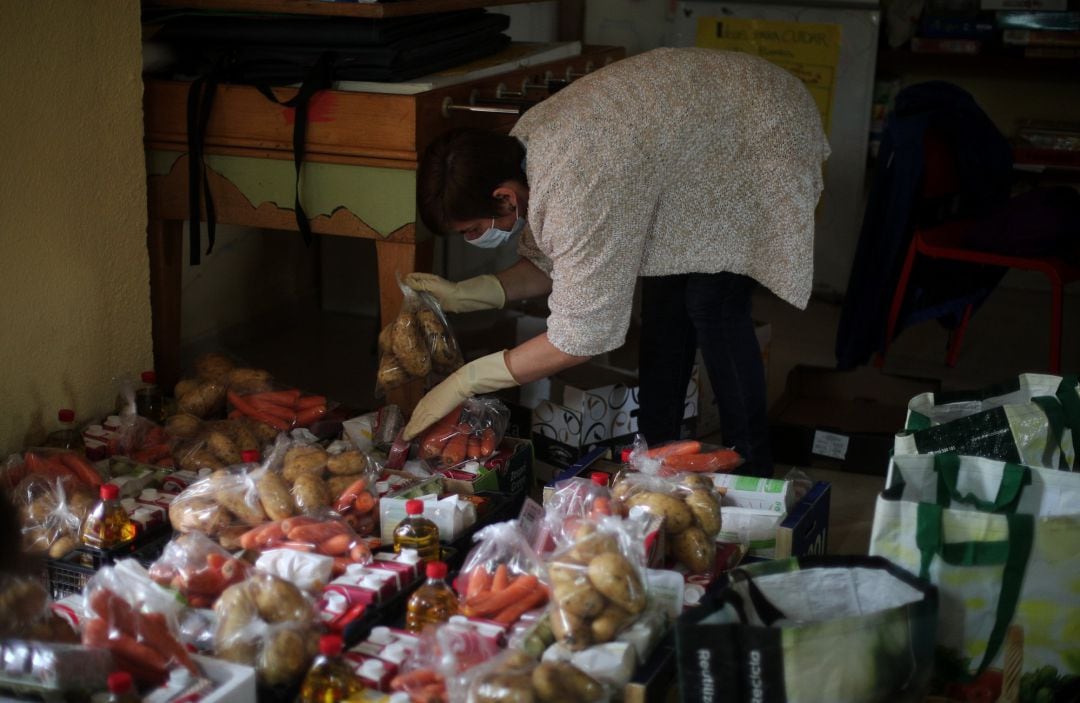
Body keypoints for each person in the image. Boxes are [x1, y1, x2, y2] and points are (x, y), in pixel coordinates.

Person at [401, 47, 829, 477]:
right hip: (694, 134)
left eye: (472, 229)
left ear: (504, 198)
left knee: (710, 303)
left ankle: (754, 470)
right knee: (664, 299)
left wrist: (468, 379)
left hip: (755, 126)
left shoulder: (573, 186)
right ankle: (656, 459)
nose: (474, 239)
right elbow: (557, 259)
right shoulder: (521, 154)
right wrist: (465, 295)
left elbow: (579, 336)